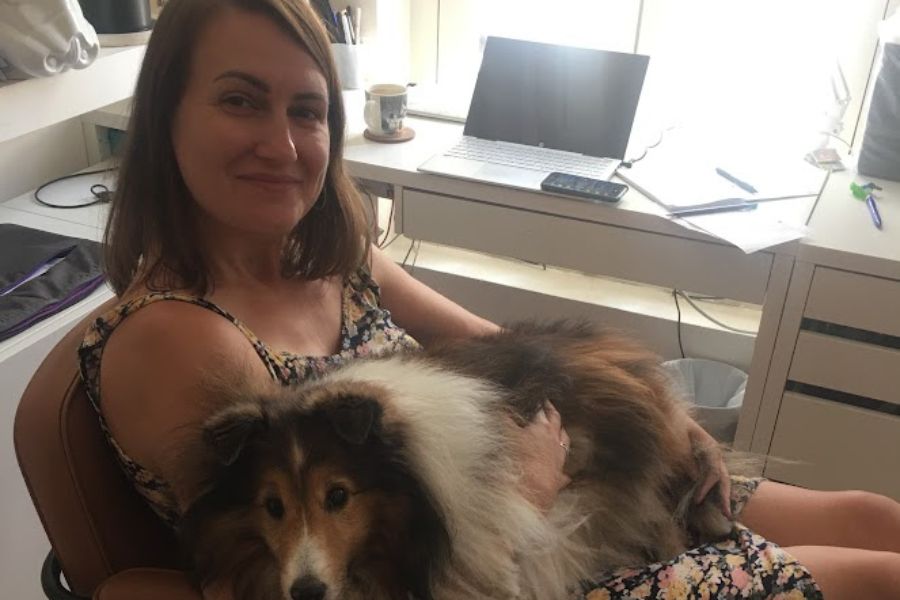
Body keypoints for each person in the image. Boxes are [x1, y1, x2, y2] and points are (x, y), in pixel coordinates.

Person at [77, 0, 900, 598]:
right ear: (165, 116)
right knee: (874, 579)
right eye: (239, 99)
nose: (285, 144)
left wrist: (661, 407)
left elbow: (500, 342)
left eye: (308, 110)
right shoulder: (179, 339)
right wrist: (530, 494)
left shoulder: (326, 254)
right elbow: (298, 569)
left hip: (564, 491)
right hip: (502, 566)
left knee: (871, 517)